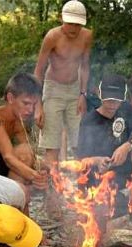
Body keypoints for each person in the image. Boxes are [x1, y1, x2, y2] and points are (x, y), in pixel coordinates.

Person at [77, 74, 132, 217]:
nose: (112, 104)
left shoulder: (125, 109)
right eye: (108, 100)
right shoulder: (89, 121)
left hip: (124, 172)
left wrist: (127, 146)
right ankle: (111, 203)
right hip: (99, 176)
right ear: (100, 95)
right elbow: (81, 161)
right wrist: (98, 160)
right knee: (103, 215)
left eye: (116, 100)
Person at [34, 0, 93, 166]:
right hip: (53, 89)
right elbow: (38, 71)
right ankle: (53, 189)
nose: (74, 28)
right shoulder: (52, 37)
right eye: (70, 24)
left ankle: (85, 187)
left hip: (75, 89)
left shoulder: (87, 36)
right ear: (61, 19)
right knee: (52, 145)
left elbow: (85, 66)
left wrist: (83, 94)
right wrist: (38, 105)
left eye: (77, 24)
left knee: (80, 142)